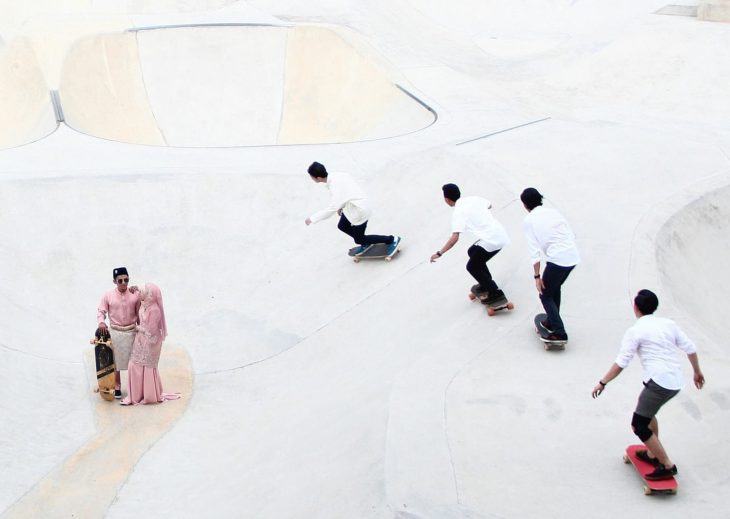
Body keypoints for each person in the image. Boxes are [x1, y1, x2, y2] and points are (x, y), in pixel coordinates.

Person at [592, 289, 705, 480]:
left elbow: (622, 362)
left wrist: (602, 382)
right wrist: (696, 371)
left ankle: (667, 465)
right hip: (675, 381)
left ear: (635, 308)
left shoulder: (635, 331)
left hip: (659, 383)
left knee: (638, 424)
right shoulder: (669, 324)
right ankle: (653, 453)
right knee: (647, 413)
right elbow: (690, 348)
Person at [430, 183, 510, 304]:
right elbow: (490, 205)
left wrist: (439, 253)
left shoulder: (458, 213)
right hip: (500, 233)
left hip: (492, 241)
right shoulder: (474, 199)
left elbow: (454, 239)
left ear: (446, 199)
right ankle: (485, 282)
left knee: (471, 266)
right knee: (472, 251)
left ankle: (495, 293)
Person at [304, 161, 401, 255]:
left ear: (318, 178)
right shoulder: (337, 175)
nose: (311, 178)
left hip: (359, 210)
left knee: (359, 239)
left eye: (311, 177)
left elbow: (331, 209)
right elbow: (345, 192)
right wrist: (341, 205)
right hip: (351, 206)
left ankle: (392, 239)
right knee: (342, 226)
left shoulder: (334, 185)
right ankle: (366, 242)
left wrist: (312, 219)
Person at [521, 187, 579, 341]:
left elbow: (534, 252)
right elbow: (571, 233)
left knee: (545, 294)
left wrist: (537, 276)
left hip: (557, 260)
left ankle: (559, 332)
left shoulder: (529, 220)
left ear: (524, 205)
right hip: (573, 257)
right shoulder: (554, 212)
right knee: (554, 288)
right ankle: (551, 322)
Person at [121, 282, 180, 405]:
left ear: (150, 295)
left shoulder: (155, 310)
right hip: (141, 339)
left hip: (151, 342)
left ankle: (148, 396)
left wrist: (135, 327)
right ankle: (136, 395)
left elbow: (150, 331)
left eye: (143, 292)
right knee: (133, 365)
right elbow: (138, 293)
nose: (140, 293)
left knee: (146, 367)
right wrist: (135, 289)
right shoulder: (145, 303)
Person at [97, 267, 140, 399]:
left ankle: (135, 387)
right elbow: (101, 311)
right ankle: (117, 386)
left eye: (126, 280)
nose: (123, 283)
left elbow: (141, 311)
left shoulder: (134, 294)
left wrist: (139, 290)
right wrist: (101, 322)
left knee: (136, 362)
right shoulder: (108, 295)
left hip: (132, 331)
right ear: (114, 281)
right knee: (116, 362)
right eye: (120, 280)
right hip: (116, 332)